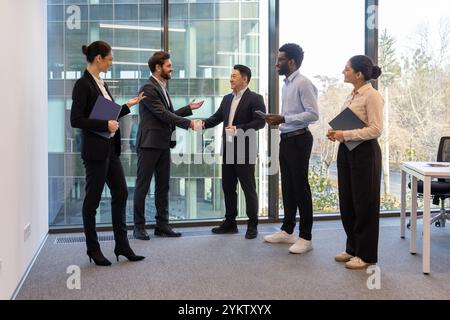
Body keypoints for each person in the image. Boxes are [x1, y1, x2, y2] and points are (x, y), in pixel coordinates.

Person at [70, 40, 145, 266]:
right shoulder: (83, 84)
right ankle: (93, 249)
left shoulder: (100, 83)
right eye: (110, 59)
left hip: (110, 150)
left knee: (121, 193)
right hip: (95, 152)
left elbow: (107, 114)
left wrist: (127, 106)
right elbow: (76, 119)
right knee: (92, 202)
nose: (112, 62)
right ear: (98, 59)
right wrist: (105, 126)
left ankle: (121, 245)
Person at [133, 51, 204, 240]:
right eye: (168, 65)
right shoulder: (148, 88)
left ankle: (162, 225)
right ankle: (138, 227)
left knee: (163, 186)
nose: (172, 68)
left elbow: (165, 113)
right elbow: (163, 115)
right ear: (158, 67)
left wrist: (188, 109)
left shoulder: (161, 87)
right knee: (143, 186)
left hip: (162, 144)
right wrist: (189, 123)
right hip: (149, 145)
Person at [326, 55, 383, 270]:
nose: (343, 72)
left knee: (364, 204)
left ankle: (366, 255)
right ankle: (353, 248)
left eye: (347, 69)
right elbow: (350, 125)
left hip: (365, 153)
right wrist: (337, 134)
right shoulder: (351, 95)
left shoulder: (372, 96)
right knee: (347, 202)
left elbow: (376, 129)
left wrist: (346, 134)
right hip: (347, 151)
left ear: (358, 74)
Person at [263, 43, 319, 254]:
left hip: (300, 140)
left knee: (300, 188)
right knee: (287, 186)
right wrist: (278, 120)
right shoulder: (286, 85)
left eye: (280, 60)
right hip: (286, 138)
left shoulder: (303, 83)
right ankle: (288, 231)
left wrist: (284, 118)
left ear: (292, 62)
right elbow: (293, 116)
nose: (276, 63)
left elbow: (313, 114)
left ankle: (306, 237)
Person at [202, 65, 266, 239]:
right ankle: (230, 223)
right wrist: (200, 124)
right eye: (231, 76)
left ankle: (252, 225)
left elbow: (260, 122)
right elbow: (216, 118)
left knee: (248, 188)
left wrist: (238, 128)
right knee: (228, 187)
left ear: (244, 79)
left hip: (245, 149)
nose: (230, 79)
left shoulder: (255, 98)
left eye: (234, 76)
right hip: (228, 149)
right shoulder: (227, 99)